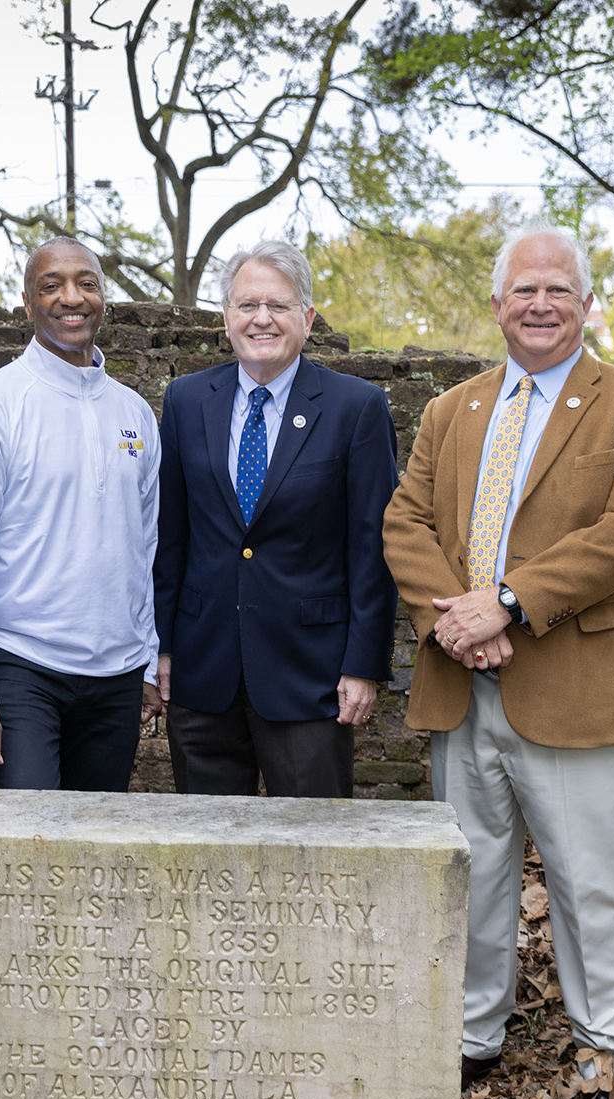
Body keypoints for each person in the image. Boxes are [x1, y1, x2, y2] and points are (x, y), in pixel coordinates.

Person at [382, 225, 614, 1099]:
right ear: (499, 305)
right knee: (472, 874)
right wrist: (453, 620)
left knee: (590, 882)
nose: (539, 304)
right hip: (463, 682)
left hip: (577, 682)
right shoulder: (453, 411)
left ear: (586, 305)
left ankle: (611, 1058)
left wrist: (504, 602)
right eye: (523, 291)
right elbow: (407, 523)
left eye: (558, 290)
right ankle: (474, 1034)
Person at [152, 241, 399, 796]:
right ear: (226, 319)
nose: (261, 318)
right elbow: (170, 537)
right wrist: (162, 648)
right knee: (208, 859)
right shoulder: (187, 401)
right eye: (247, 305)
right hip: (202, 669)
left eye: (279, 305)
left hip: (310, 677)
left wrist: (363, 664)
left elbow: (373, 548)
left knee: (315, 856)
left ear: (307, 318)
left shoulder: (356, 408)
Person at [0, 238, 164, 791]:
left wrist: (148, 655)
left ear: (103, 298)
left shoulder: (134, 412)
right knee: (26, 847)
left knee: (95, 849)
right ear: (27, 302)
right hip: (23, 669)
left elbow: (147, 548)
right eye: (52, 285)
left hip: (117, 677)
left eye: (86, 283)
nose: (72, 297)